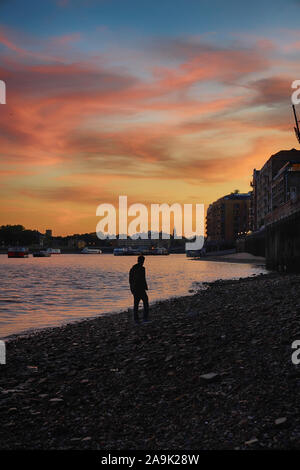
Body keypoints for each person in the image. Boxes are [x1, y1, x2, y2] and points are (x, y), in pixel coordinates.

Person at [129, 255, 149, 324]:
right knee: (144, 302)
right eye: (143, 261)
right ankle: (144, 318)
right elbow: (141, 279)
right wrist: (145, 287)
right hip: (139, 288)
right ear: (141, 261)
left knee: (137, 304)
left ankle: (137, 319)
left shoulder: (134, 268)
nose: (143, 262)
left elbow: (131, 279)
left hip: (137, 288)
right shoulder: (140, 268)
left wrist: (132, 288)